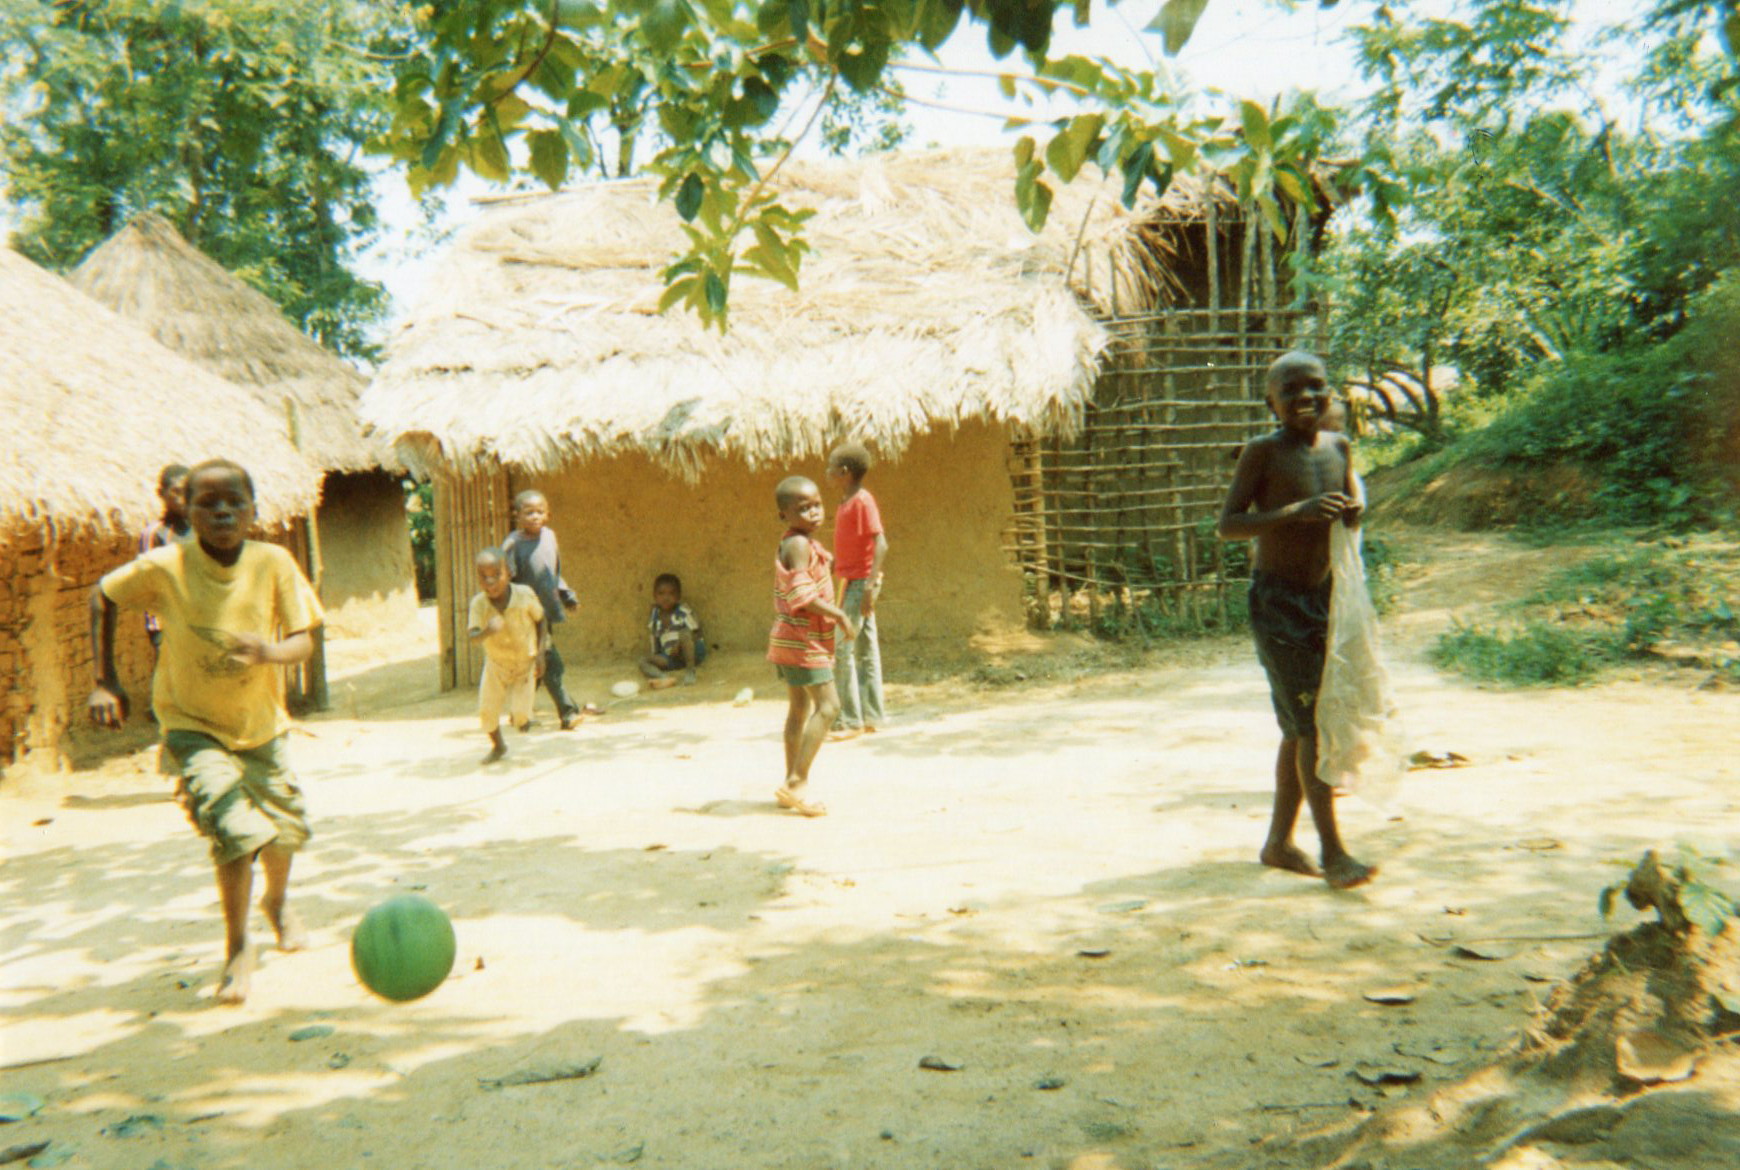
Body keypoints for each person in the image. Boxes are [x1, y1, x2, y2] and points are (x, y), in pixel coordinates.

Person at [87, 459, 324, 1003]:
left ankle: (278, 902)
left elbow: (304, 639)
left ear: (254, 511)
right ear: (184, 511)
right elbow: (102, 595)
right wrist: (105, 681)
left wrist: (271, 651)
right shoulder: (166, 564)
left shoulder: (274, 562)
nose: (221, 511)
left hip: (261, 725)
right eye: (207, 503)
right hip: (191, 724)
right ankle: (238, 947)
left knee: (285, 832)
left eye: (234, 502)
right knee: (234, 832)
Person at [1218, 352, 1376, 890]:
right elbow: (1230, 524)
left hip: (1327, 598)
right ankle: (1334, 852)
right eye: (1291, 390)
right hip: (1279, 603)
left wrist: (1352, 511)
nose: (1306, 398)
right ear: (1271, 402)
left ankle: (1279, 844)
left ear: (1332, 392)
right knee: (1311, 726)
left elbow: (1354, 502)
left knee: (1301, 725)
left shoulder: (1339, 446)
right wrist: (1296, 513)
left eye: (1317, 387)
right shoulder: (1262, 452)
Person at [767, 475, 858, 818]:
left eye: (817, 504)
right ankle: (797, 782)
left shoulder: (803, 544)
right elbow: (802, 596)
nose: (813, 513)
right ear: (784, 515)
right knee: (830, 707)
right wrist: (839, 615)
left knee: (798, 710)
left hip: (789, 638)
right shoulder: (799, 545)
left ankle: (790, 783)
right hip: (802, 640)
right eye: (802, 509)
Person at [500, 489, 584, 729]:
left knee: (536, 664)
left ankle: (520, 713)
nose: (534, 517)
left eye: (539, 512)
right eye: (528, 513)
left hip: (545, 613)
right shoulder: (512, 544)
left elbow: (553, 573)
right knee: (550, 663)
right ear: (517, 515)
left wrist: (567, 596)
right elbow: (506, 580)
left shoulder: (549, 537)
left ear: (547, 514)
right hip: (525, 616)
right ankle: (568, 713)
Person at [825, 441, 889, 740]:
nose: (828, 471)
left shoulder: (862, 501)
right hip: (852, 581)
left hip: (860, 584)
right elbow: (851, 545)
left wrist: (870, 585)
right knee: (865, 649)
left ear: (845, 472)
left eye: (832, 467)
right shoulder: (847, 502)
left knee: (843, 649)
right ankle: (873, 716)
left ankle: (849, 720)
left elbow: (880, 544)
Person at [468, 548, 547, 763]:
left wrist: (540, 654)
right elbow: (473, 636)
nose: (490, 582)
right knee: (487, 712)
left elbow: (541, 620)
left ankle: (524, 721)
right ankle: (498, 746)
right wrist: (487, 631)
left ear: (509, 572)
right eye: (484, 577)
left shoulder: (524, 595)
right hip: (497, 664)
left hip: (525, 663)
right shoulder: (479, 604)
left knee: (521, 716)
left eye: (496, 575)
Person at [138, 463, 191, 654]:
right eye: (176, 492)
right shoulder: (154, 534)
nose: (182, 498)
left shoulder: (203, 531)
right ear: (161, 493)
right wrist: (157, 634)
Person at [638, 572, 705, 689]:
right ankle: (663, 677)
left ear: (678, 596)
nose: (666, 598)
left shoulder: (682, 611)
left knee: (684, 634)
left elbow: (696, 632)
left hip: (691, 655)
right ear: (654, 596)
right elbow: (654, 637)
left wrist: (679, 645)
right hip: (671, 658)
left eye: (671, 593)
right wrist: (658, 657)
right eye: (661, 593)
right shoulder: (655, 615)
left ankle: (690, 671)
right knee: (643, 661)